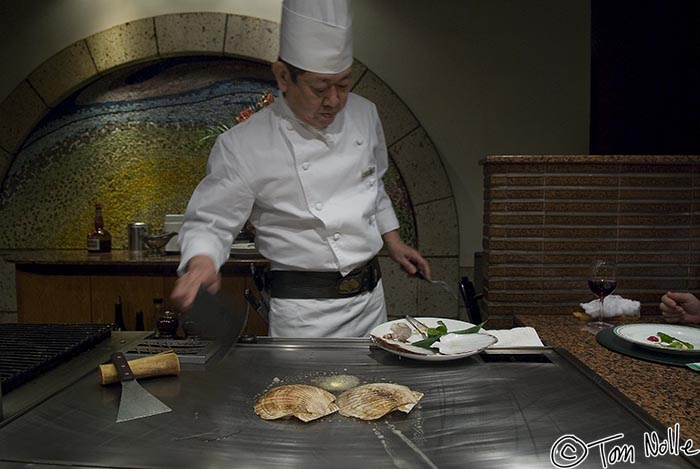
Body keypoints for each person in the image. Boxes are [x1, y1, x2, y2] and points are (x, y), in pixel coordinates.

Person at [171, 0, 429, 337]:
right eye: (320, 88)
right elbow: (211, 221)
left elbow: (373, 184)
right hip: (303, 316)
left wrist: (393, 241)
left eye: (343, 84)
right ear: (283, 77)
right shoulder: (244, 144)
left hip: (370, 305)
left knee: (376, 391)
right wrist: (202, 262)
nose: (334, 100)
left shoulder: (365, 115)